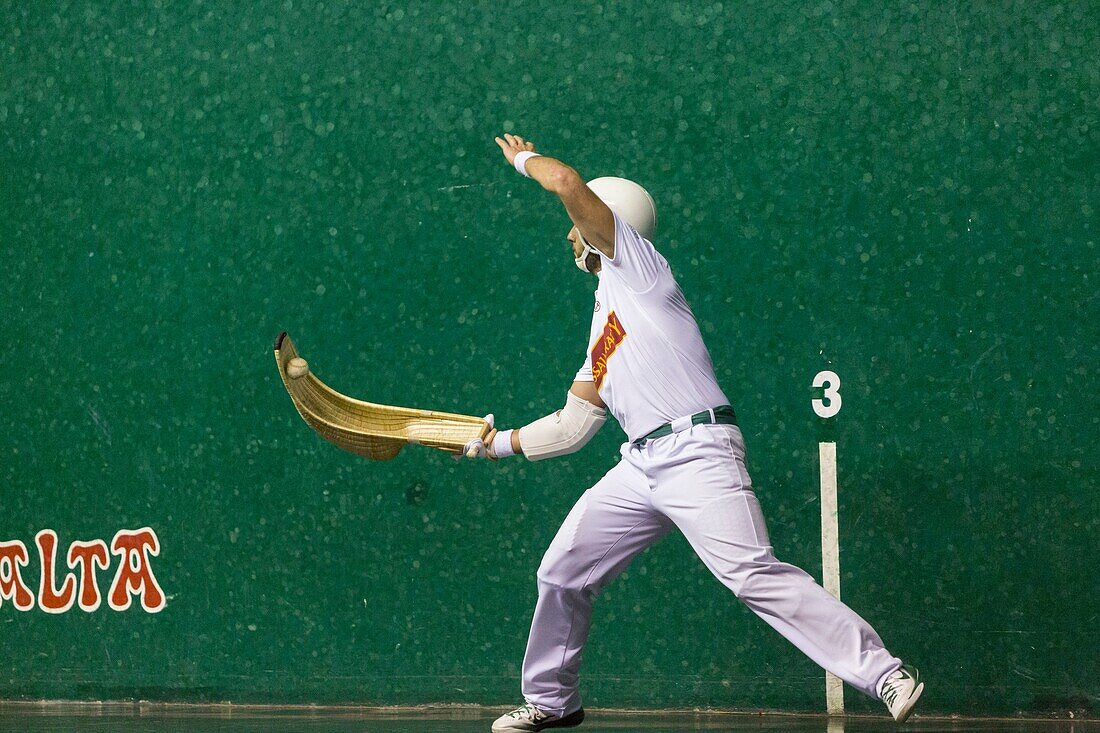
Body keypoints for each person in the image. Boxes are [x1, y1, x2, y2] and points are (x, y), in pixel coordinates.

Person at [471, 133, 924, 732]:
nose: (568, 235)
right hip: (638, 467)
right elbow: (573, 425)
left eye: (579, 226)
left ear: (604, 227)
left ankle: (885, 672)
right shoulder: (605, 326)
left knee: (752, 574)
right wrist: (494, 442)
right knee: (560, 572)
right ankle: (553, 702)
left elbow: (565, 185)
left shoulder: (636, 268)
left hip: (698, 451)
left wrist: (524, 160)